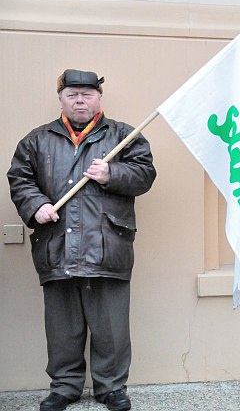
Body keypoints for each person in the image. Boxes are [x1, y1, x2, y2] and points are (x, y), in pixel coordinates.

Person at [7, 69, 157, 411]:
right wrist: (37, 205)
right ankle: (65, 386)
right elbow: (20, 178)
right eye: (72, 94)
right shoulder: (37, 139)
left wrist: (112, 173)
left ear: (98, 98)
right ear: (61, 99)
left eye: (86, 94)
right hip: (56, 246)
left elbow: (145, 174)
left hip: (107, 246)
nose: (79, 100)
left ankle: (111, 388)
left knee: (111, 328)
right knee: (62, 327)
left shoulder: (124, 135)